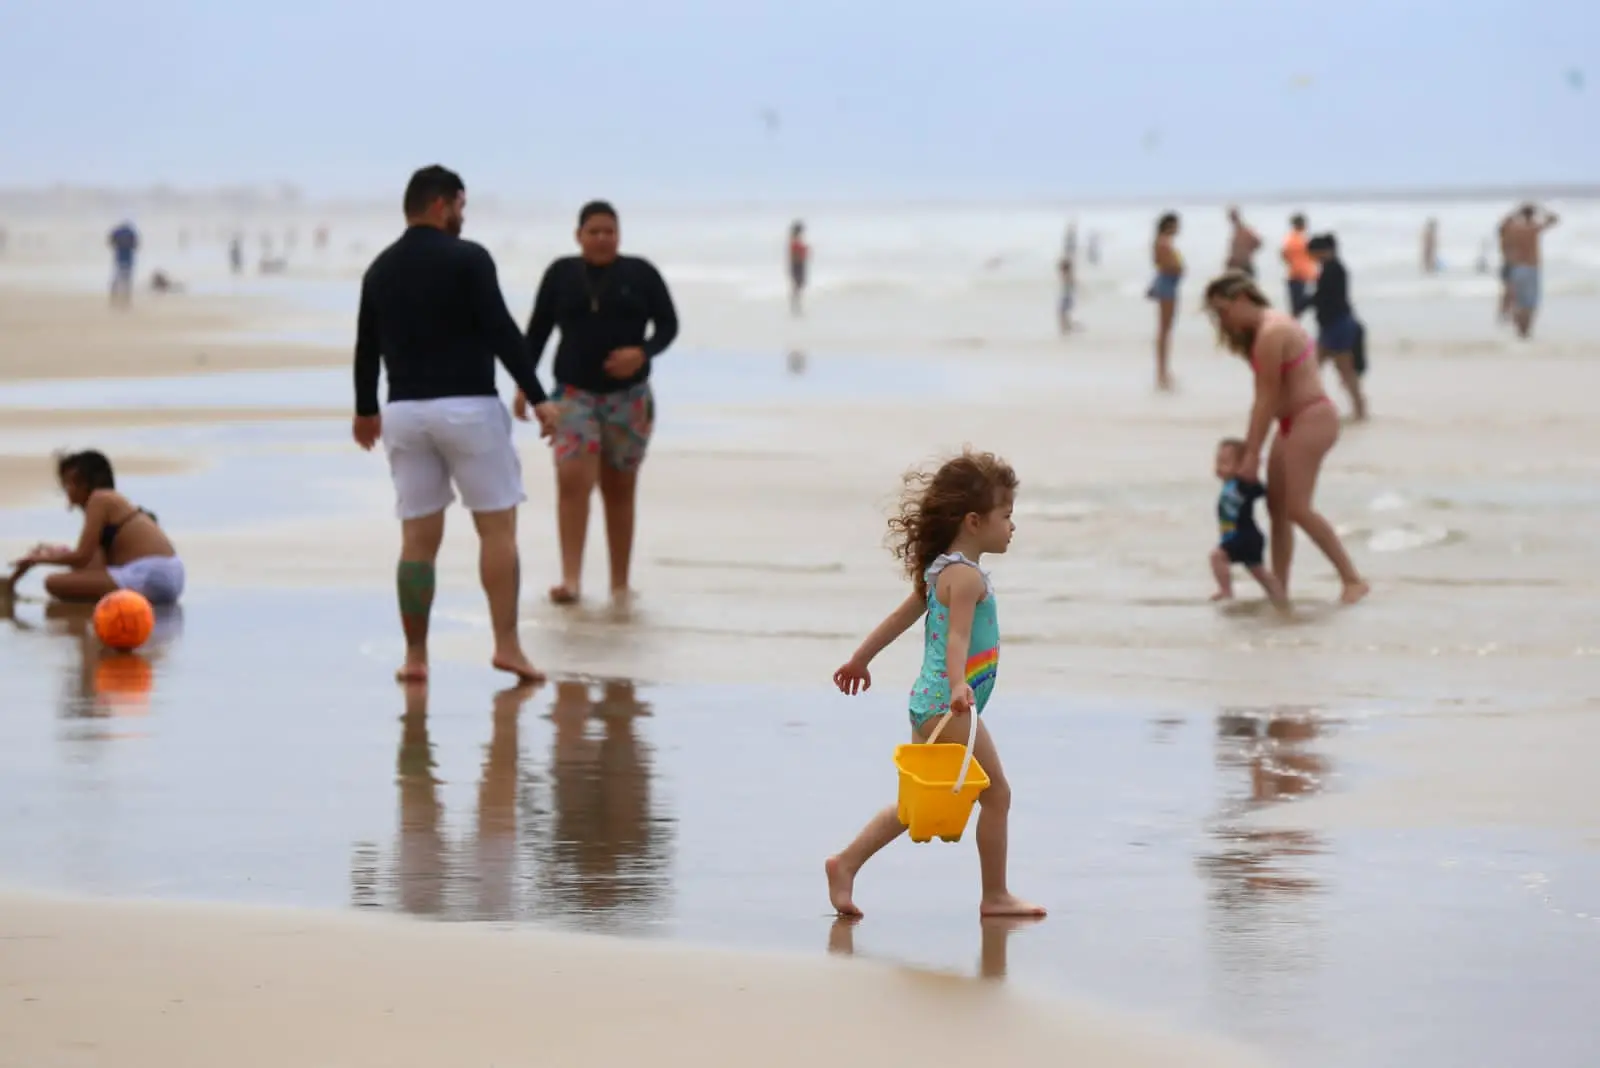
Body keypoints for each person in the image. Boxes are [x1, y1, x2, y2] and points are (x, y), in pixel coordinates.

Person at [352, 164, 557, 685]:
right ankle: (507, 646)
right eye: (461, 207)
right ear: (442, 204)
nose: (463, 218)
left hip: (403, 413)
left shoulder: (379, 269)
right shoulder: (469, 259)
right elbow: (501, 330)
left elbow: (366, 347)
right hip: (468, 408)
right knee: (496, 527)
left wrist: (365, 409)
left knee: (417, 539)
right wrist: (539, 397)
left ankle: (415, 657)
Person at [825, 450, 1045, 919]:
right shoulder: (963, 577)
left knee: (916, 807)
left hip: (929, 704)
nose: (1012, 527)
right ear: (973, 520)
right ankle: (995, 896)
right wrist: (960, 685)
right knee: (997, 794)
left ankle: (845, 863)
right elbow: (957, 638)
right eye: (1006, 516)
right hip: (950, 706)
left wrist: (859, 660)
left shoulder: (941, 570)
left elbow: (899, 621)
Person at [515, 200, 679, 607]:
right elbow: (536, 332)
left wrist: (641, 353)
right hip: (572, 394)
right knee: (572, 479)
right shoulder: (560, 274)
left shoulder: (640, 273)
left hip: (629, 399)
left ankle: (619, 584)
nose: (603, 238)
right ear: (578, 236)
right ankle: (570, 579)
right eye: (594, 231)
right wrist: (525, 385)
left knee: (619, 488)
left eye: (610, 231)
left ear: (619, 235)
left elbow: (669, 325)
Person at [1203, 270, 1369, 605]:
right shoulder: (1264, 329)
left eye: (1223, 311)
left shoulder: (1272, 332)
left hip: (1312, 418)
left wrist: (1252, 455)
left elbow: (1265, 399)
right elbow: (1269, 402)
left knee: (1297, 508)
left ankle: (1352, 579)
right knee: (1278, 510)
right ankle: (1280, 590)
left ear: (1242, 299)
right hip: (1292, 422)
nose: (1221, 321)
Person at [5, 451, 185, 605]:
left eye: (69, 484)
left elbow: (81, 557)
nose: (66, 491)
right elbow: (93, 563)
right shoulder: (112, 505)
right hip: (171, 575)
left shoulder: (99, 499)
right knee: (76, 578)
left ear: (84, 483)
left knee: (53, 582)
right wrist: (54, 552)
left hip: (150, 573)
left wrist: (37, 559)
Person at [1210, 438, 1286, 607]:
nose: (1219, 467)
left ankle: (1226, 591)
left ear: (1241, 466)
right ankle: (1279, 597)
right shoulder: (1229, 485)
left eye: (1225, 462)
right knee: (1258, 571)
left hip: (1244, 535)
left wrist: (1253, 475)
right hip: (1239, 536)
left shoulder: (1241, 486)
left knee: (1217, 556)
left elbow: (1260, 490)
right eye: (1218, 462)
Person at [1304, 234, 1368, 421]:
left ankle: (1360, 410)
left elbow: (1326, 297)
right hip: (1333, 325)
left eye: (1314, 254)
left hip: (1338, 326)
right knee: (1313, 368)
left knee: (1343, 370)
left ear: (1323, 251)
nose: (1313, 259)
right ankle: (1357, 410)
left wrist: (1305, 302)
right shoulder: (1331, 268)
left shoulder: (1334, 270)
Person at [1499, 203, 1559, 339]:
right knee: (1530, 304)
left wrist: (1515, 211)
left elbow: (1502, 224)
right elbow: (1554, 219)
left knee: (1519, 302)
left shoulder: (1513, 228)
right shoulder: (1533, 228)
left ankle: (1520, 332)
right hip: (1532, 268)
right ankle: (1526, 331)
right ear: (1532, 215)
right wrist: (1542, 209)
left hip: (1517, 268)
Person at [1147, 212, 1183, 390]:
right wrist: (1178, 268)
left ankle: (1163, 371)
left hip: (1168, 283)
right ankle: (1162, 372)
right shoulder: (1163, 242)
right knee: (1165, 330)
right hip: (1167, 284)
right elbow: (1167, 266)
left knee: (1165, 329)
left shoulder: (1161, 241)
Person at [1281, 214, 1318, 316]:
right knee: (1300, 307)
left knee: (1296, 309)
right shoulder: (1303, 240)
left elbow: (1283, 255)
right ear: (1302, 225)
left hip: (1294, 275)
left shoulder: (1289, 239)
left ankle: (1291, 328)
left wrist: (1292, 264)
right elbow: (1314, 256)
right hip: (1304, 276)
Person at [107, 220, 139, 308]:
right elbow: (136, 245)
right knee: (126, 279)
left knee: (117, 277)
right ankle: (126, 298)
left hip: (119, 257)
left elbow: (111, 242)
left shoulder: (118, 232)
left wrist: (116, 247)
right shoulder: (131, 232)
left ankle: (114, 297)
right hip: (128, 257)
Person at [1224, 206, 1262, 276]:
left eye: (1233, 217)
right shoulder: (1237, 231)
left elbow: (1258, 242)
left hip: (1243, 266)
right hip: (1237, 265)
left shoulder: (1244, 231)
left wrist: (1248, 252)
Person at [787, 221, 809, 317]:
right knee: (798, 284)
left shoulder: (795, 241)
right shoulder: (794, 242)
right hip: (797, 265)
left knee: (799, 285)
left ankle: (796, 304)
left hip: (798, 264)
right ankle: (795, 305)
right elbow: (794, 255)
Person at [1056, 255, 1076, 334]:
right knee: (1063, 313)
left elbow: (1071, 286)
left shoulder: (1067, 276)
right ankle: (1066, 327)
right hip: (1067, 297)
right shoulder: (1068, 276)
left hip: (1067, 297)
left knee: (1062, 312)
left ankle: (1065, 328)